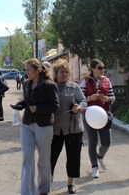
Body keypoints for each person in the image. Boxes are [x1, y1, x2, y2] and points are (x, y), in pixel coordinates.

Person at [12, 58, 59, 195]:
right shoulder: (26, 83)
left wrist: (37, 108)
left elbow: (55, 106)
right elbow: (28, 101)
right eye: (25, 70)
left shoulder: (50, 85)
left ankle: (43, 189)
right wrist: (21, 104)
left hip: (43, 125)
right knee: (27, 157)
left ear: (37, 70)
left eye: (28, 70)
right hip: (27, 124)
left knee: (43, 159)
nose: (26, 73)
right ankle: (27, 192)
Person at [50, 59, 86, 194]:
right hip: (55, 129)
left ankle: (71, 183)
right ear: (56, 73)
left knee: (73, 157)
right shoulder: (51, 86)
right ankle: (49, 182)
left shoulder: (74, 87)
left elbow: (83, 101)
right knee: (50, 157)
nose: (64, 74)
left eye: (66, 72)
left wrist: (79, 106)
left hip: (73, 129)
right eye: (61, 72)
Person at [79, 59, 115, 179]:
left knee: (107, 142)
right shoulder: (85, 82)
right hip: (90, 115)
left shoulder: (106, 81)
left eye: (103, 67)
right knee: (92, 142)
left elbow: (112, 97)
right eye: (100, 67)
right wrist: (90, 98)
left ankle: (100, 156)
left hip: (104, 115)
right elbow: (80, 99)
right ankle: (95, 167)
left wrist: (108, 99)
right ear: (93, 69)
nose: (102, 70)